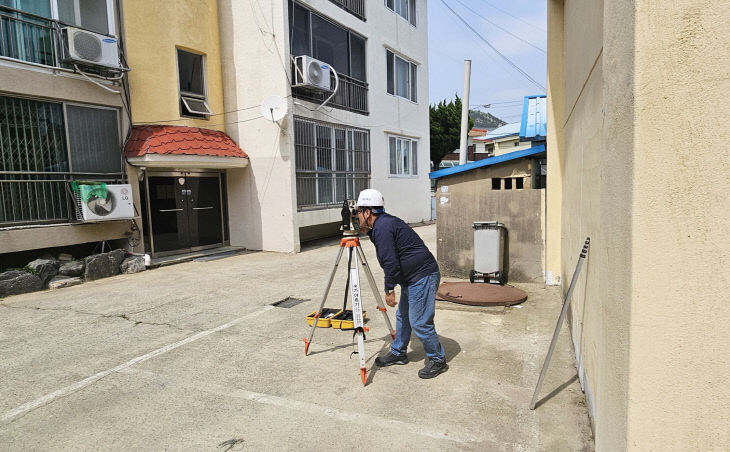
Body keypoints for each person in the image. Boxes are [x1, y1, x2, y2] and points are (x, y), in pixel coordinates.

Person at [356, 188, 448, 379]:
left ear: (368, 212)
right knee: (403, 316)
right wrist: (366, 230)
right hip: (412, 276)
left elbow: (390, 261)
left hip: (422, 275)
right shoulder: (382, 224)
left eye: (358, 211)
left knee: (420, 321)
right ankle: (398, 352)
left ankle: (438, 359)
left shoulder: (382, 227)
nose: (356, 216)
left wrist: (389, 289)